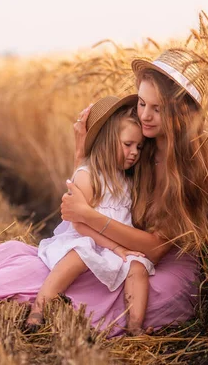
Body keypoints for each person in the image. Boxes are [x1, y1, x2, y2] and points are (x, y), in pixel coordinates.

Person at [0, 48, 208, 336]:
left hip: (159, 275)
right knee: (17, 254)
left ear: (180, 110)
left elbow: (156, 249)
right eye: (142, 104)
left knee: (46, 279)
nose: (145, 115)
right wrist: (81, 155)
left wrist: (88, 217)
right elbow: (104, 190)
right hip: (122, 253)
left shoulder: (185, 165)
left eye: (157, 108)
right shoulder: (144, 146)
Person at [26, 97, 152, 335]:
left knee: (139, 267)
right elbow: (80, 223)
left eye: (139, 147)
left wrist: (123, 250)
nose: (134, 152)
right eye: (128, 144)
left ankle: (135, 326)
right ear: (106, 141)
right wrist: (116, 249)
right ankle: (39, 307)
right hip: (84, 238)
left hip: (116, 246)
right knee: (79, 255)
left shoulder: (128, 181)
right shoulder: (87, 175)